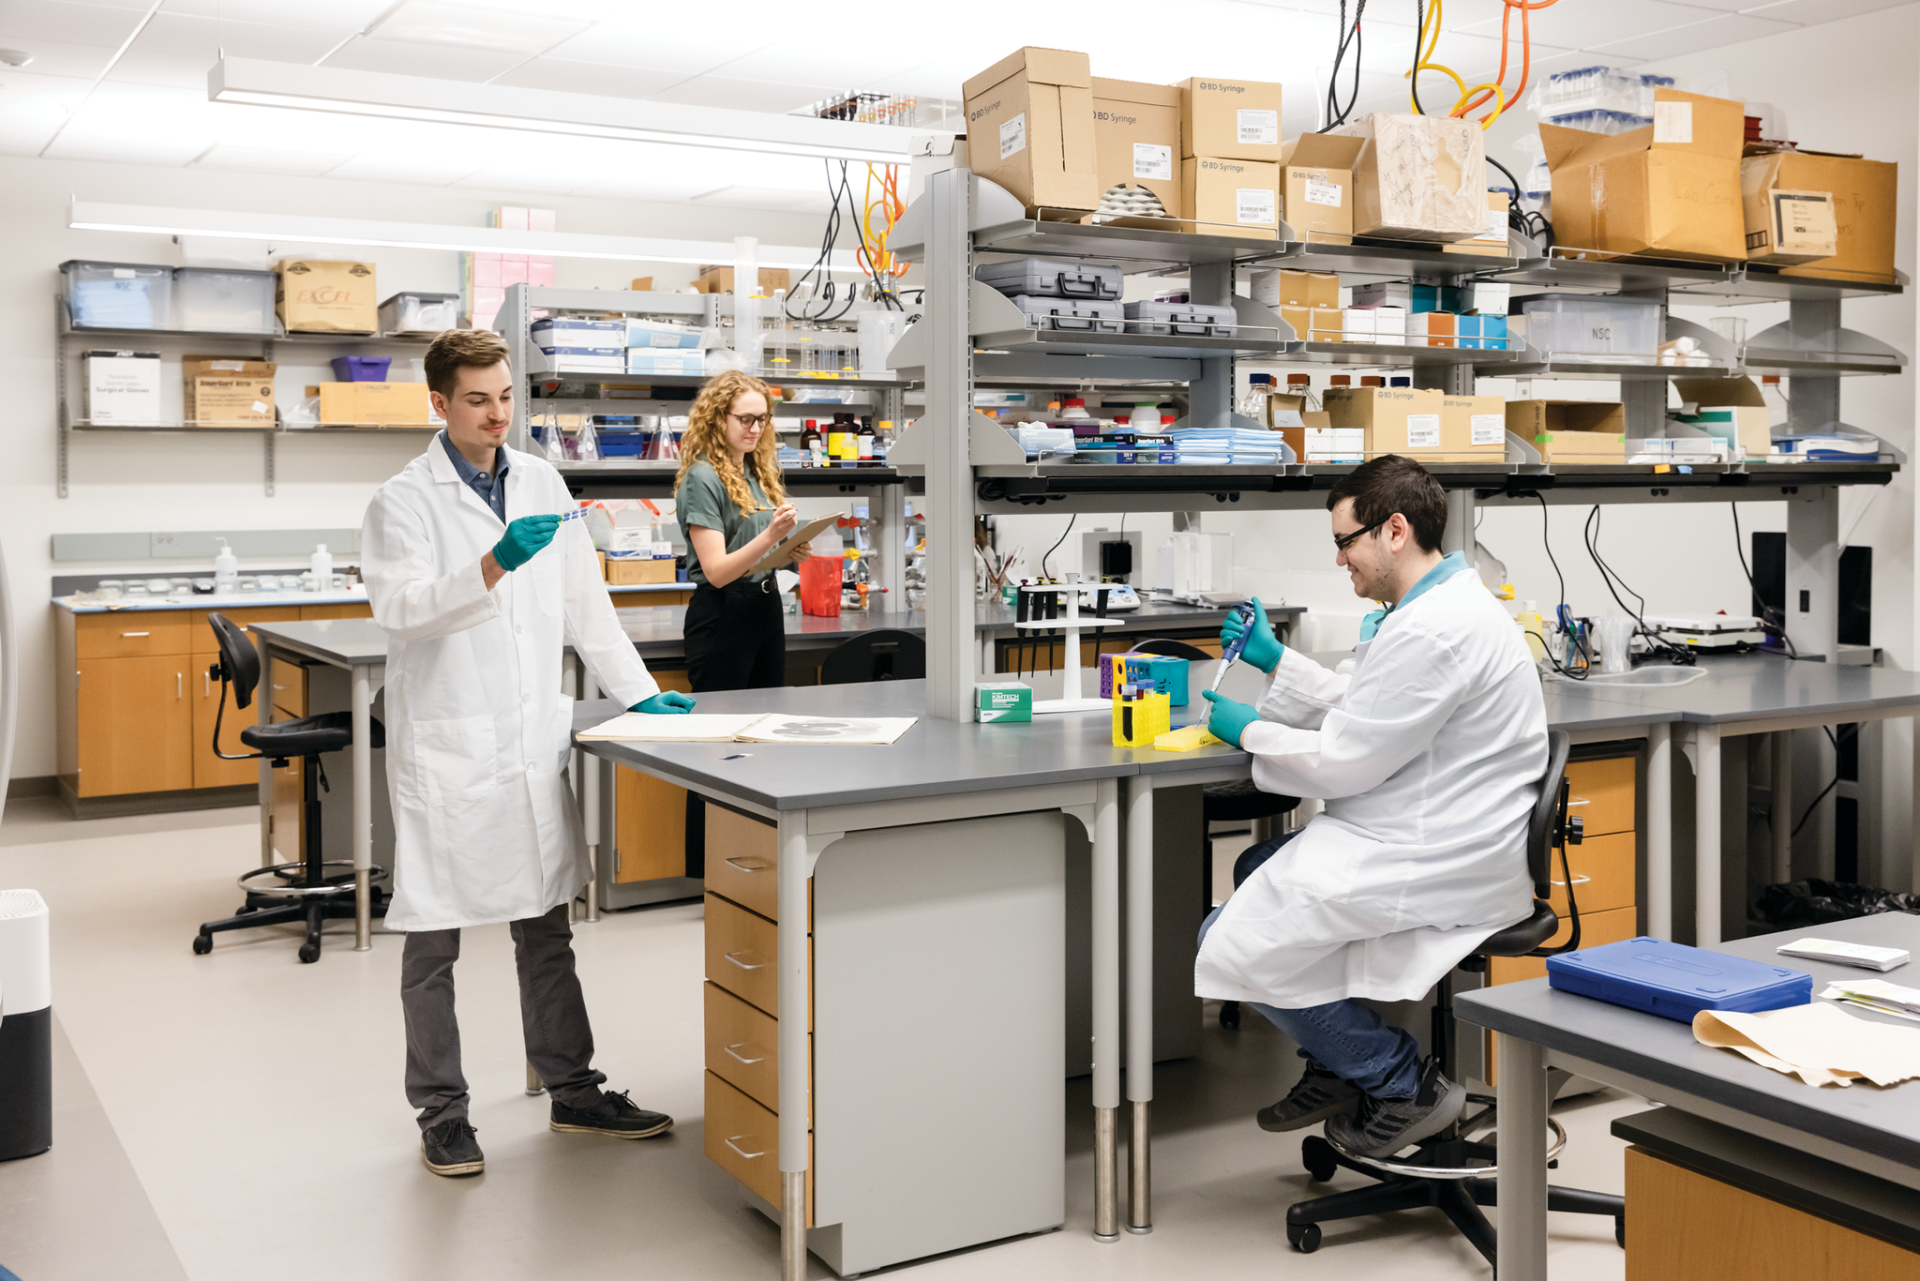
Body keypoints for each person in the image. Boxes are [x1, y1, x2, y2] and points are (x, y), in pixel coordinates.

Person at [362, 328, 697, 1179]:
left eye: (506, 395)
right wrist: (491, 564)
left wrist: (638, 691)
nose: (497, 413)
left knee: (546, 929)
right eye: (478, 398)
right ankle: (441, 1111)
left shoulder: (543, 480)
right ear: (439, 404)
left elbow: (588, 607)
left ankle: (574, 1089)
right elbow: (400, 611)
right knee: (432, 939)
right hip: (449, 744)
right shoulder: (403, 500)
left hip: (523, 742)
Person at [1195, 455, 1544, 1159]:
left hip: (1440, 854)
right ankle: (1336, 1059)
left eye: (1344, 540)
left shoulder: (1434, 628)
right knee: (1263, 861)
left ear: (1393, 530)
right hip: (1437, 828)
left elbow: (1349, 759)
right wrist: (1275, 661)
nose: (1338, 559)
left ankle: (1396, 1078)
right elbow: (1373, 709)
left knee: (1223, 936)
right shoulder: (1427, 611)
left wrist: (1249, 730)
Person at [673, 368, 810, 694]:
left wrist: (786, 554)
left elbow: (754, 556)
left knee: (766, 716)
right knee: (722, 727)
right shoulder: (702, 478)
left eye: (762, 419)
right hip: (724, 612)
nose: (756, 428)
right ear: (719, 418)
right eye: (746, 419)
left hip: (766, 607)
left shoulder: (757, 472)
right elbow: (718, 572)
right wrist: (771, 536)